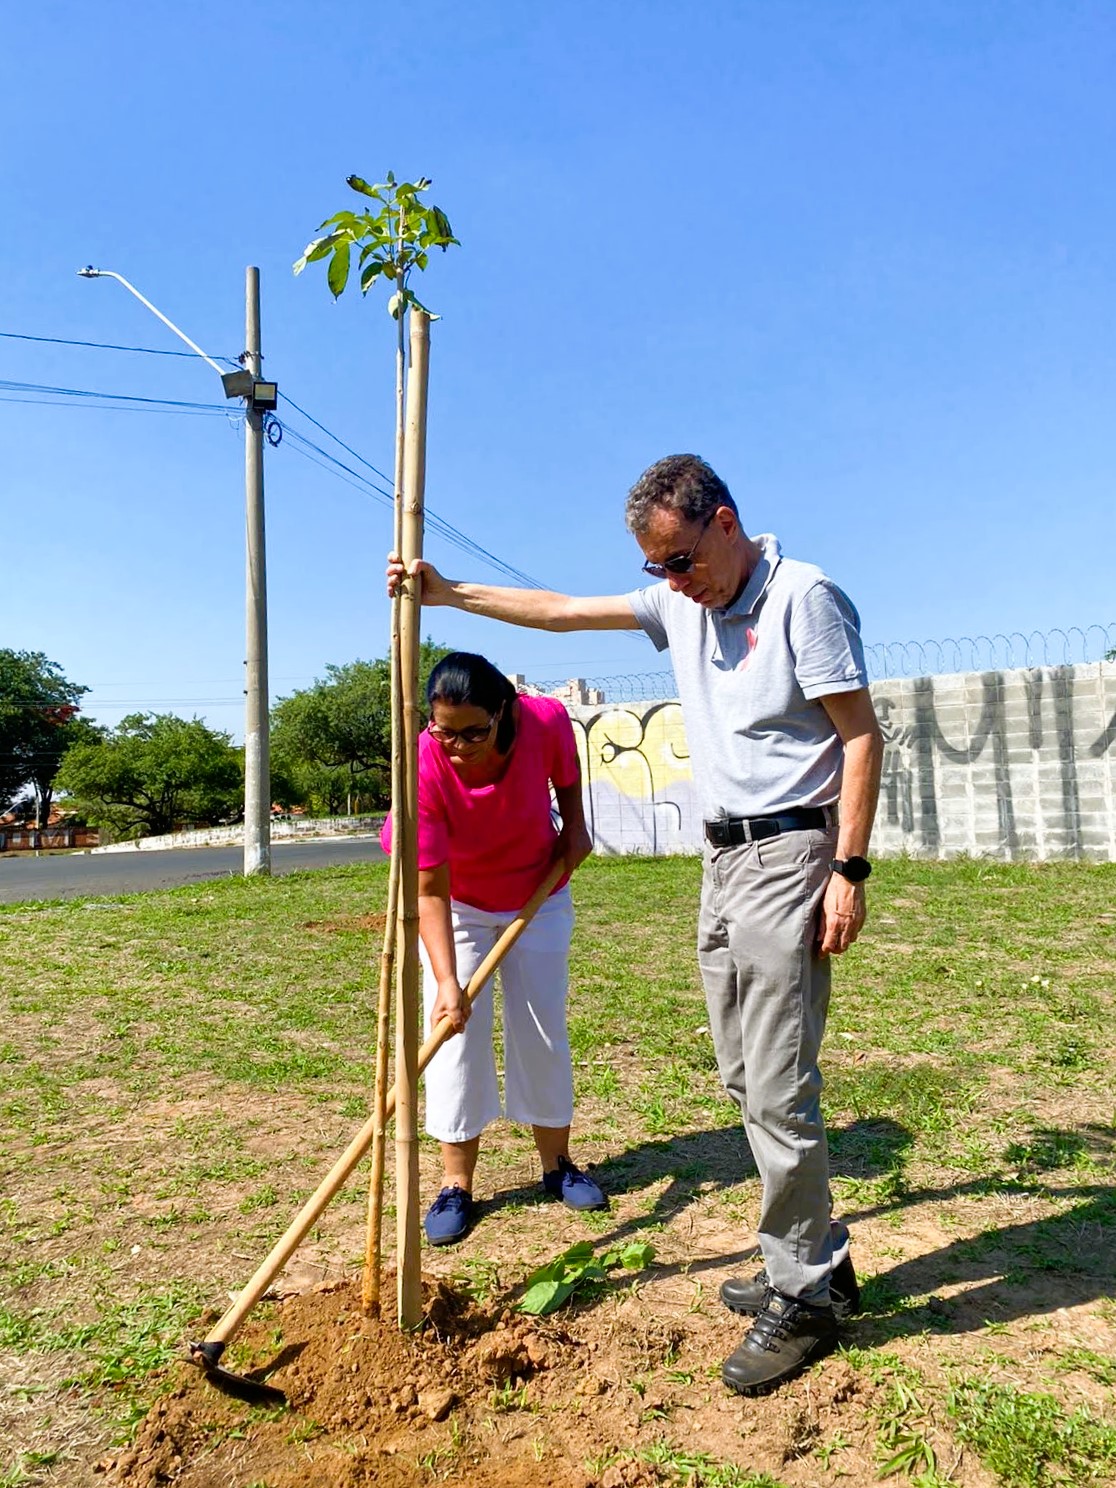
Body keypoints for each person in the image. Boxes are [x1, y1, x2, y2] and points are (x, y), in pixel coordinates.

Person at [388, 455, 883, 1393]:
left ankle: (806, 1291)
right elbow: (564, 610)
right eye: (658, 569)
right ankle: (816, 1253)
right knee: (742, 1071)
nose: (673, 584)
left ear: (726, 523)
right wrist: (450, 594)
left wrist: (848, 871)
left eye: (683, 561)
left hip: (791, 854)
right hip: (722, 858)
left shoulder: (804, 599)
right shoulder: (683, 605)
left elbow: (860, 735)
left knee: (778, 1082)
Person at [380, 651, 605, 1247]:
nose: (457, 745)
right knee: (454, 1038)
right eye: (444, 730)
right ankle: (457, 1184)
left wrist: (575, 829)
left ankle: (556, 1165)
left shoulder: (546, 721)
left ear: (503, 712)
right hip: (461, 903)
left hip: (539, 889)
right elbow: (428, 887)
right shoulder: (424, 764)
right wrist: (449, 983)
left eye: (473, 731)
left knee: (541, 1026)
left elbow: (568, 783)